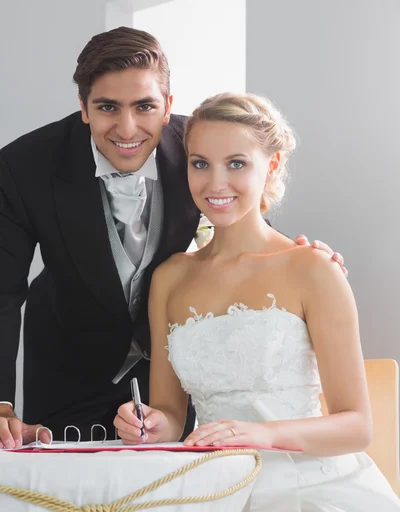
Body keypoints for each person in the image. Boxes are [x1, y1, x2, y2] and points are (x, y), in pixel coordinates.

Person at [0, 28, 344, 450]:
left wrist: (297, 255)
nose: (127, 128)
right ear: (83, 108)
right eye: (107, 107)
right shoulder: (23, 167)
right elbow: (2, 289)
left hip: (172, 378)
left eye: (145, 106)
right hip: (68, 360)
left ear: (168, 107)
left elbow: (237, 204)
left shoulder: (199, 147)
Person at [114, 93, 400, 511]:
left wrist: (262, 434)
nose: (215, 183)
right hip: (212, 486)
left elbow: (357, 426)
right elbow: (171, 417)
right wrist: (148, 425)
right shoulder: (170, 279)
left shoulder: (313, 269)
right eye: (200, 164)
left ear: (273, 165)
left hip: (309, 487)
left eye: (236, 163)